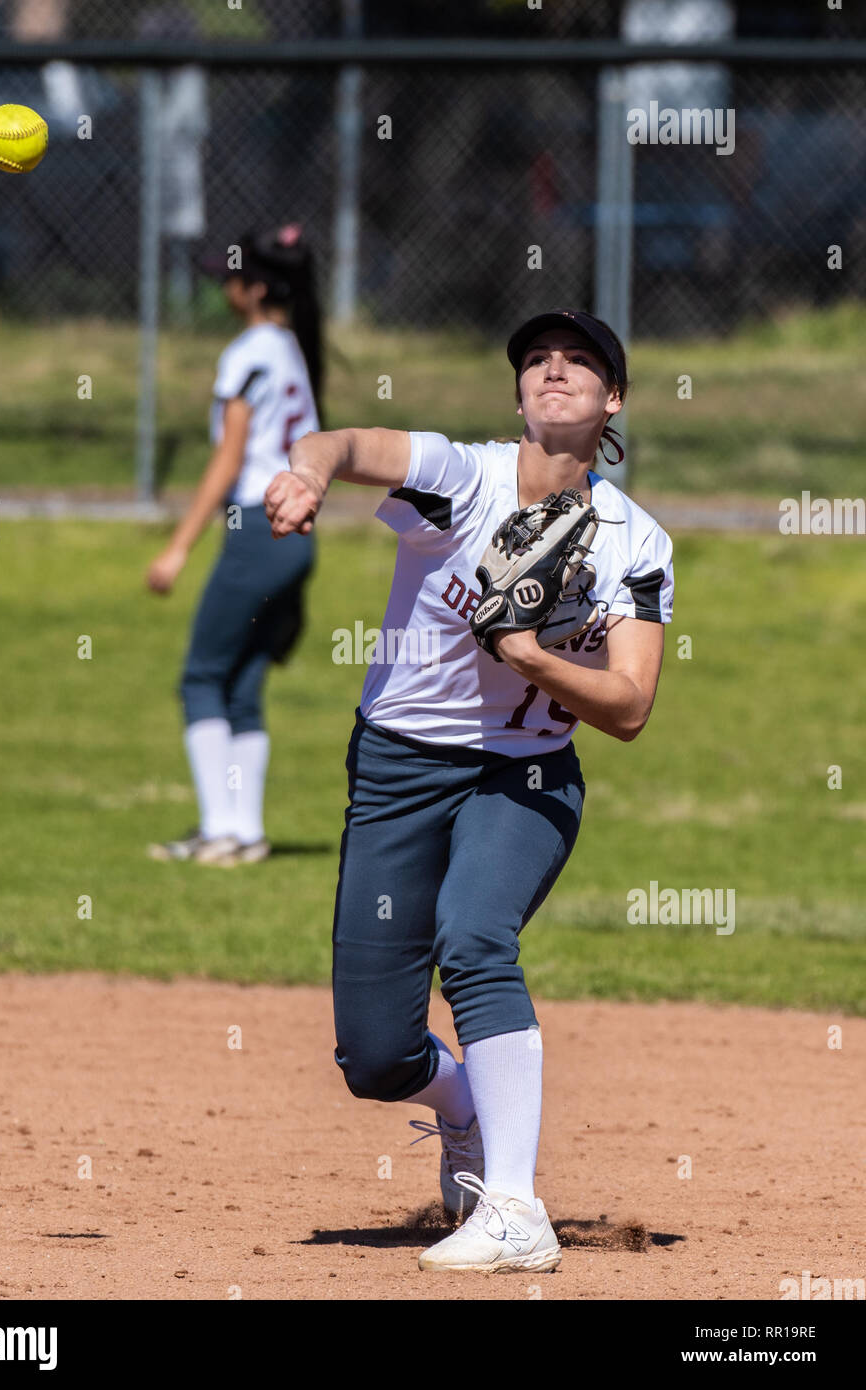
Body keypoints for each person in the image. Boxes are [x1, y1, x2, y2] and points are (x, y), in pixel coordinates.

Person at [264, 308, 674, 1273]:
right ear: (520, 391)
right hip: (399, 768)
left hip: (525, 777)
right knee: (372, 1057)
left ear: (613, 401)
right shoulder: (463, 475)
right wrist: (308, 472)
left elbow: (629, 706)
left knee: (476, 935)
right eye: (537, 359)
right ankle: (461, 1113)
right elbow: (343, 439)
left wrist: (527, 655)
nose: (555, 370)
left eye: (580, 362)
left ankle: (517, 1211)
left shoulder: (632, 538)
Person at [147, 225, 322, 867]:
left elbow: (228, 462)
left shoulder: (248, 351)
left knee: (201, 677)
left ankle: (221, 829)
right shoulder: (297, 350)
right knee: (243, 684)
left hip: (257, 528)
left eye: (230, 275)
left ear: (252, 289)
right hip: (299, 535)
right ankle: (243, 833)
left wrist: (177, 549)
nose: (222, 285)